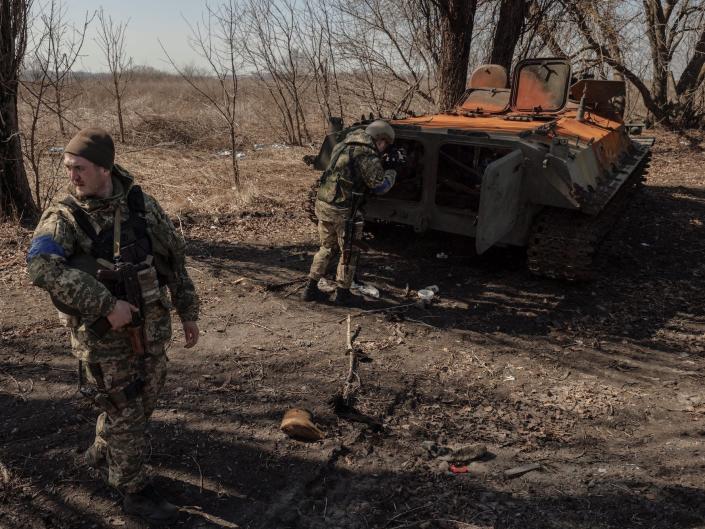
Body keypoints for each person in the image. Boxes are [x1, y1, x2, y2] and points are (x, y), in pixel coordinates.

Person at [26, 127, 199, 525]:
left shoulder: (142, 206)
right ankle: (133, 491)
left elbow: (174, 261)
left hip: (152, 333)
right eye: (68, 167)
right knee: (126, 411)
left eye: (80, 168)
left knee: (143, 404)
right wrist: (106, 304)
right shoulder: (63, 216)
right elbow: (40, 268)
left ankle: (102, 454)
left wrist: (188, 311)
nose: (72, 176)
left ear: (105, 169)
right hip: (103, 341)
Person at [302, 120, 397, 305]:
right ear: (380, 139)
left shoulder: (342, 144)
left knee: (326, 248)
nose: (384, 149)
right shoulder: (366, 154)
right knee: (349, 251)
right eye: (385, 144)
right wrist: (393, 172)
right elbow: (379, 186)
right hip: (344, 210)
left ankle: (309, 289)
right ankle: (342, 294)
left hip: (324, 204)